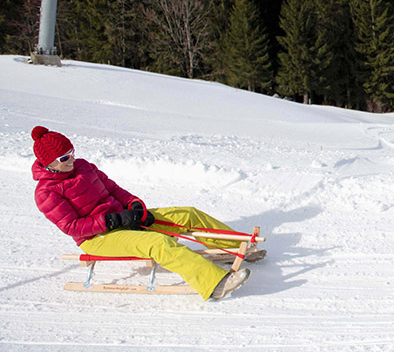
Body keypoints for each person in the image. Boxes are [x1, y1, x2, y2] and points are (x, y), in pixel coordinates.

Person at [30, 126, 260, 300]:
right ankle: (215, 284)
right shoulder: (46, 191)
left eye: (71, 152)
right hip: (97, 238)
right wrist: (113, 220)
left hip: (124, 219)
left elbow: (114, 190)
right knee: (157, 243)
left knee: (186, 214)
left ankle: (236, 246)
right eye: (63, 158)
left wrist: (134, 206)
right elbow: (71, 227)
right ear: (48, 162)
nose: (70, 159)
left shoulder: (84, 166)